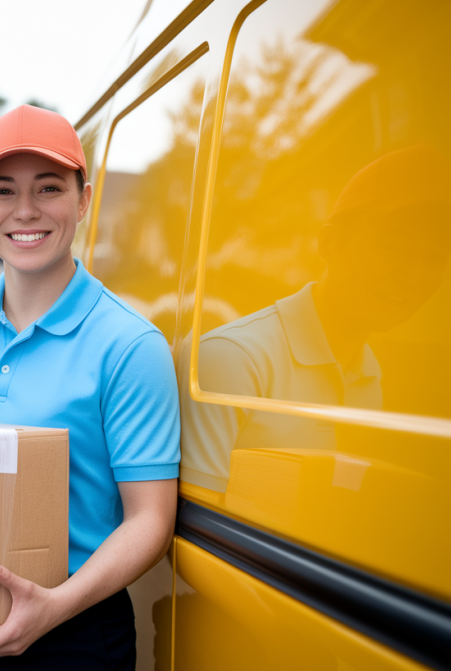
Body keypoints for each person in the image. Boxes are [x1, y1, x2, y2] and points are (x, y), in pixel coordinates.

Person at [0, 104, 180, 671]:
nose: (26, 211)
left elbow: (149, 522)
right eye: (2, 190)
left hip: (73, 637)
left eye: (48, 187)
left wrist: (52, 609)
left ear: (84, 199)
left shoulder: (131, 345)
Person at [178, 146, 451, 493]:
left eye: (433, 260)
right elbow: (194, 530)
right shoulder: (232, 359)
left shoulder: (368, 374)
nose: (413, 276)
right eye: (393, 248)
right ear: (329, 244)